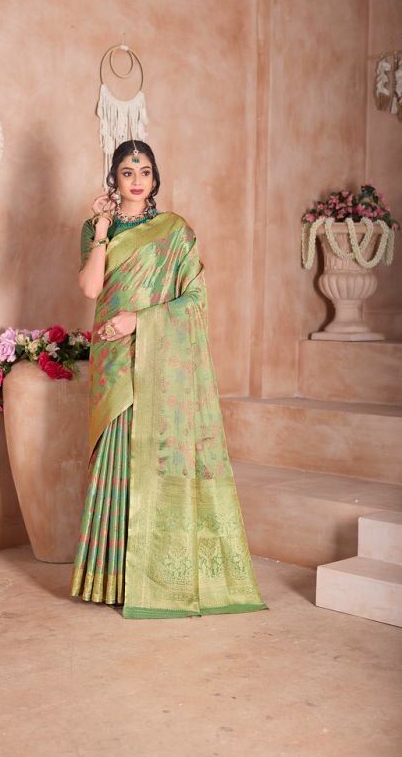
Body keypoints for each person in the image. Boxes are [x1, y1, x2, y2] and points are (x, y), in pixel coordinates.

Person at [70, 139, 268, 619]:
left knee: (151, 453)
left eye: (144, 172)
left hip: (154, 352)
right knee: (116, 455)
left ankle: (153, 576)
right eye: (127, 172)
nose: (136, 180)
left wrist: (140, 321)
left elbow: (195, 300)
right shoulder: (96, 227)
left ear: (155, 178)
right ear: (114, 179)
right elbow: (91, 288)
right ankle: (110, 579)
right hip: (113, 357)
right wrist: (101, 230)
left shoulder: (175, 232)